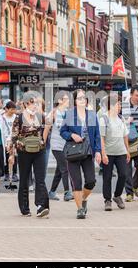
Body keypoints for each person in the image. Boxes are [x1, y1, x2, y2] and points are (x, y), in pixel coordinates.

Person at [60, 89, 102, 219]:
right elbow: (63, 131)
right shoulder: (69, 115)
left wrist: (98, 151)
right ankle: (80, 209)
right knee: (76, 182)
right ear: (75, 101)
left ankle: (83, 198)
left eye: (84, 98)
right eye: (79, 98)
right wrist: (72, 135)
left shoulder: (92, 115)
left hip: (88, 153)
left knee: (91, 181)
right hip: (73, 152)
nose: (82, 100)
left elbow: (97, 135)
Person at [9, 91, 50, 218]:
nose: (35, 105)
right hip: (24, 152)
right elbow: (14, 136)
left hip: (39, 151)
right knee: (24, 179)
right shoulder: (19, 118)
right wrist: (11, 153)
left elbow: (48, 128)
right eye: (32, 103)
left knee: (40, 179)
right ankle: (24, 208)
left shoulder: (41, 116)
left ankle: (41, 206)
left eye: (36, 103)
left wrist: (43, 139)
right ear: (26, 104)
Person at [99, 94, 129, 211]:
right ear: (111, 106)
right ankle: (107, 200)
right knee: (107, 177)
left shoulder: (121, 118)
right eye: (118, 104)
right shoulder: (104, 119)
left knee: (123, 174)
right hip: (108, 153)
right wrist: (103, 153)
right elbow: (101, 137)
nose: (120, 106)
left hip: (121, 152)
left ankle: (117, 196)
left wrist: (127, 151)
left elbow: (125, 135)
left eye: (120, 104)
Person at [47, 91, 73, 202]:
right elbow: (55, 126)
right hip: (56, 145)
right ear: (59, 101)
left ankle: (52, 192)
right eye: (66, 99)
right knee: (65, 168)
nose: (68, 101)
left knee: (59, 170)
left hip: (65, 145)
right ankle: (67, 193)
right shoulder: (55, 113)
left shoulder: (68, 112)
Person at [2, 101, 19, 182]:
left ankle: (15, 173)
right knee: (6, 156)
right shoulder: (2, 117)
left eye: (14, 109)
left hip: (14, 140)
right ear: (6, 109)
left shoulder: (16, 117)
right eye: (11, 109)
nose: (13, 111)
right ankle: (7, 174)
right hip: (5, 140)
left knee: (14, 156)